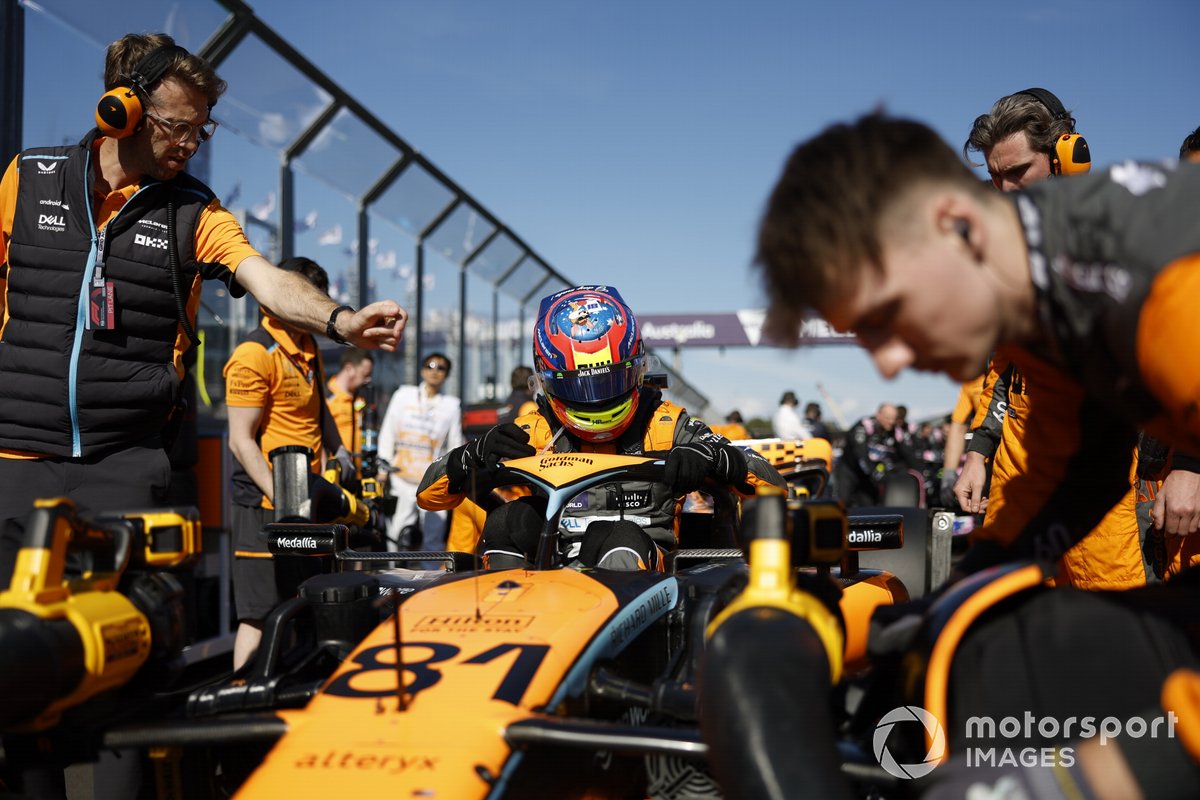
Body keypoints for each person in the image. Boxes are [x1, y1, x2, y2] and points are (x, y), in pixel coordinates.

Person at [750, 111, 1200, 798]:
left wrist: (1092, 780)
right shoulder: (1048, 292)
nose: (893, 363)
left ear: (956, 222)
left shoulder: (1171, 294)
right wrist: (936, 602)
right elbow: (1074, 471)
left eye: (887, 316)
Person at [0, 33, 406, 586]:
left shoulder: (196, 213)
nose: (192, 143)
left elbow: (265, 279)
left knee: (128, 644)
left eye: (202, 129)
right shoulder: (27, 178)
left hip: (127, 460)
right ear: (124, 110)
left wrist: (341, 320)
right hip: (14, 458)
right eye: (178, 126)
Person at [952, 89, 1196, 589]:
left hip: (1104, 492)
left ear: (1068, 159)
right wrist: (979, 448)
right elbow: (1005, 369)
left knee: (1119, 642)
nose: (1004, 190)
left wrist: (1191, 466)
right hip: (1018, 483)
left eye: (1018, 173)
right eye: (995, 177)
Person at [417, 285, 785, 570]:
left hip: (646, 590)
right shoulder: (536, 429)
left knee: (618, 539)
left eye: (608, 380)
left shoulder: (666, 423)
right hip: (546, 581)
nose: (594, 398)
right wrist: (473, 455)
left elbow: (773, 486)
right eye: (578, 385)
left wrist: (710, 456)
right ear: (546, 380)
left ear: (636, 366)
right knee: (506, 523)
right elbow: (428, 496)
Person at [223, 257, 346, 670]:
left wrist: (342, 452)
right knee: (259, 613)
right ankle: (241, 694)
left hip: (303, 501)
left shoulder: (309, 347)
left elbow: (320, 410)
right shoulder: (253, 354)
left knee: (303, 605)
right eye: (308, 301)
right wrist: (283, 501)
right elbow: (241, 442)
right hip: (264, 507)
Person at [377, 352, 463, 550]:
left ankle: (432, 578)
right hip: (401, 477)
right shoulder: (403, 395)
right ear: (422, 370)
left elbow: (454, 444)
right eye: (430, 366)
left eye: (441, 368)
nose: (435, 371)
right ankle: (394, 573)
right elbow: (388, 431)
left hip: (432, 480)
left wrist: (451, 475)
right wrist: (383, 467)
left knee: (434, 535)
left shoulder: (451, 406)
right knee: (396, 532)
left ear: (447, 374)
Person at [834, 402, 924, 507]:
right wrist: (876, 474)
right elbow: (860, 455)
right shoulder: (864, 426)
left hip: (869, 476)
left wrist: (921, 472)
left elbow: (908, 454)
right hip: (850, 471)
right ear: (878, 415)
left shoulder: (896, 431)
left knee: (868, 507)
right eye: (888, 418)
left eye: (893, 418)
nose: (891, 422)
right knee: (842, 503)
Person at [326, 348, 374, 474]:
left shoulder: (361, 399)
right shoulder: (327, 397)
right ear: (349, 369)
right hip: (335, 472)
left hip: (359, 473)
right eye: (364, 375)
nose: (368, 380)